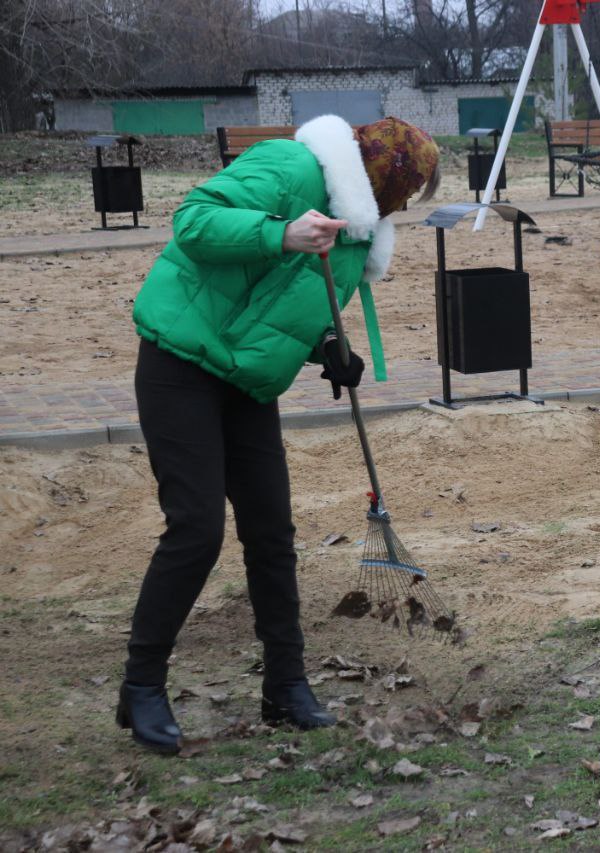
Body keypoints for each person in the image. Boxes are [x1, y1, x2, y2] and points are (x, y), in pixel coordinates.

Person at [117, 115, 440, 753]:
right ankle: (141, 686)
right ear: (380, 176)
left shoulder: (355, 231)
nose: (401, 207)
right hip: (179, 364)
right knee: (197, 527)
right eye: (404, 193)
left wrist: (329, 349)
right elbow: (194, 222)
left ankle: (286, 686)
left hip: (247, 385)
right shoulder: (290, 169)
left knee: (271, 531)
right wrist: (279, 232)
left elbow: (289, 306)